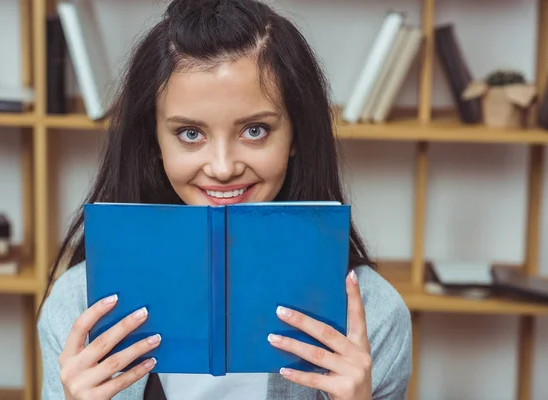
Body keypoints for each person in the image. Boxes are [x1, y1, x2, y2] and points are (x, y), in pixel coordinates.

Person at [37, 0, 412, 399]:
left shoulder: (374, 318)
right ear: (154, 143)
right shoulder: (77, 306)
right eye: (189, 134)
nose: (222, 167)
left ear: (296, 136)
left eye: (255, 130)